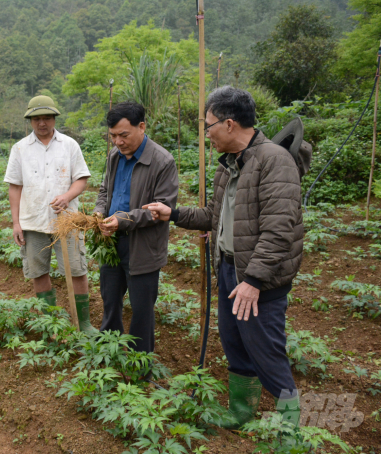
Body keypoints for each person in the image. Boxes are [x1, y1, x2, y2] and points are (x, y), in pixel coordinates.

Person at [145, 86, 308, 429]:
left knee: (266, 351)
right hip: (231, 271)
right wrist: (171, 213)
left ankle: (291, 428)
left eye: (208, 126)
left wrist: (253, 282)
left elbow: (279, 231)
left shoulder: (274, 162)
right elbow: (213, 216)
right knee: (235, 342)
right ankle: (242, 410)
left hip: (258, 280)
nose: (207, 134)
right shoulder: (229, 165)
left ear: (230, 124)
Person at [4, 95, 97, 332]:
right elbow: (15, 187)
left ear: (54, 118)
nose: (42, 123)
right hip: (33, 222)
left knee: (76, 270)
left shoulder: (69, 145)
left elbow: (81, 179)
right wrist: (16, 223)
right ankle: (51, 323)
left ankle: (83, 323)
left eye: (46, 118)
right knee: (38, 271)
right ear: (30, 121)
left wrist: (67, 197)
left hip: (66, 222)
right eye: (37, 118)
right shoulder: (20, 149)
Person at [94, 102, 178, 358]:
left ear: (141, 127)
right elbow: (104, 190)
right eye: (113, 136)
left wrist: (124, 220)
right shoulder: (113, 157)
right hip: (111, 242)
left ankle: (140, 364)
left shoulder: (162, 161)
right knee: (110, 300)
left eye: (123, 135)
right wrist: (100, 212)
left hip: (143, 246)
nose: (118, 142)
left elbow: (161, 209)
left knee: (141, 309)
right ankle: (109, 350)